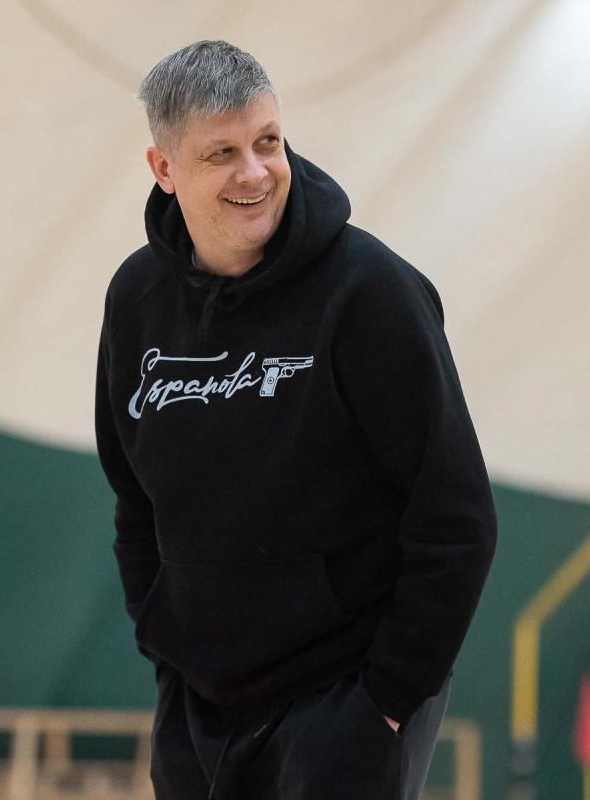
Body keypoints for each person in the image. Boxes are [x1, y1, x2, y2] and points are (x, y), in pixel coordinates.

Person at [93, 40, 498, 800]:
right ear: (164, 168)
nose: (255, 172)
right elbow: (134, 498)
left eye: (268, 141)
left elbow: (456, 518)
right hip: (198, 704)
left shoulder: (371, 291)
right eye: (221, 153)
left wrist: (386, 701)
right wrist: (163, 637)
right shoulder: (137, 299)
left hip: (345, 701)